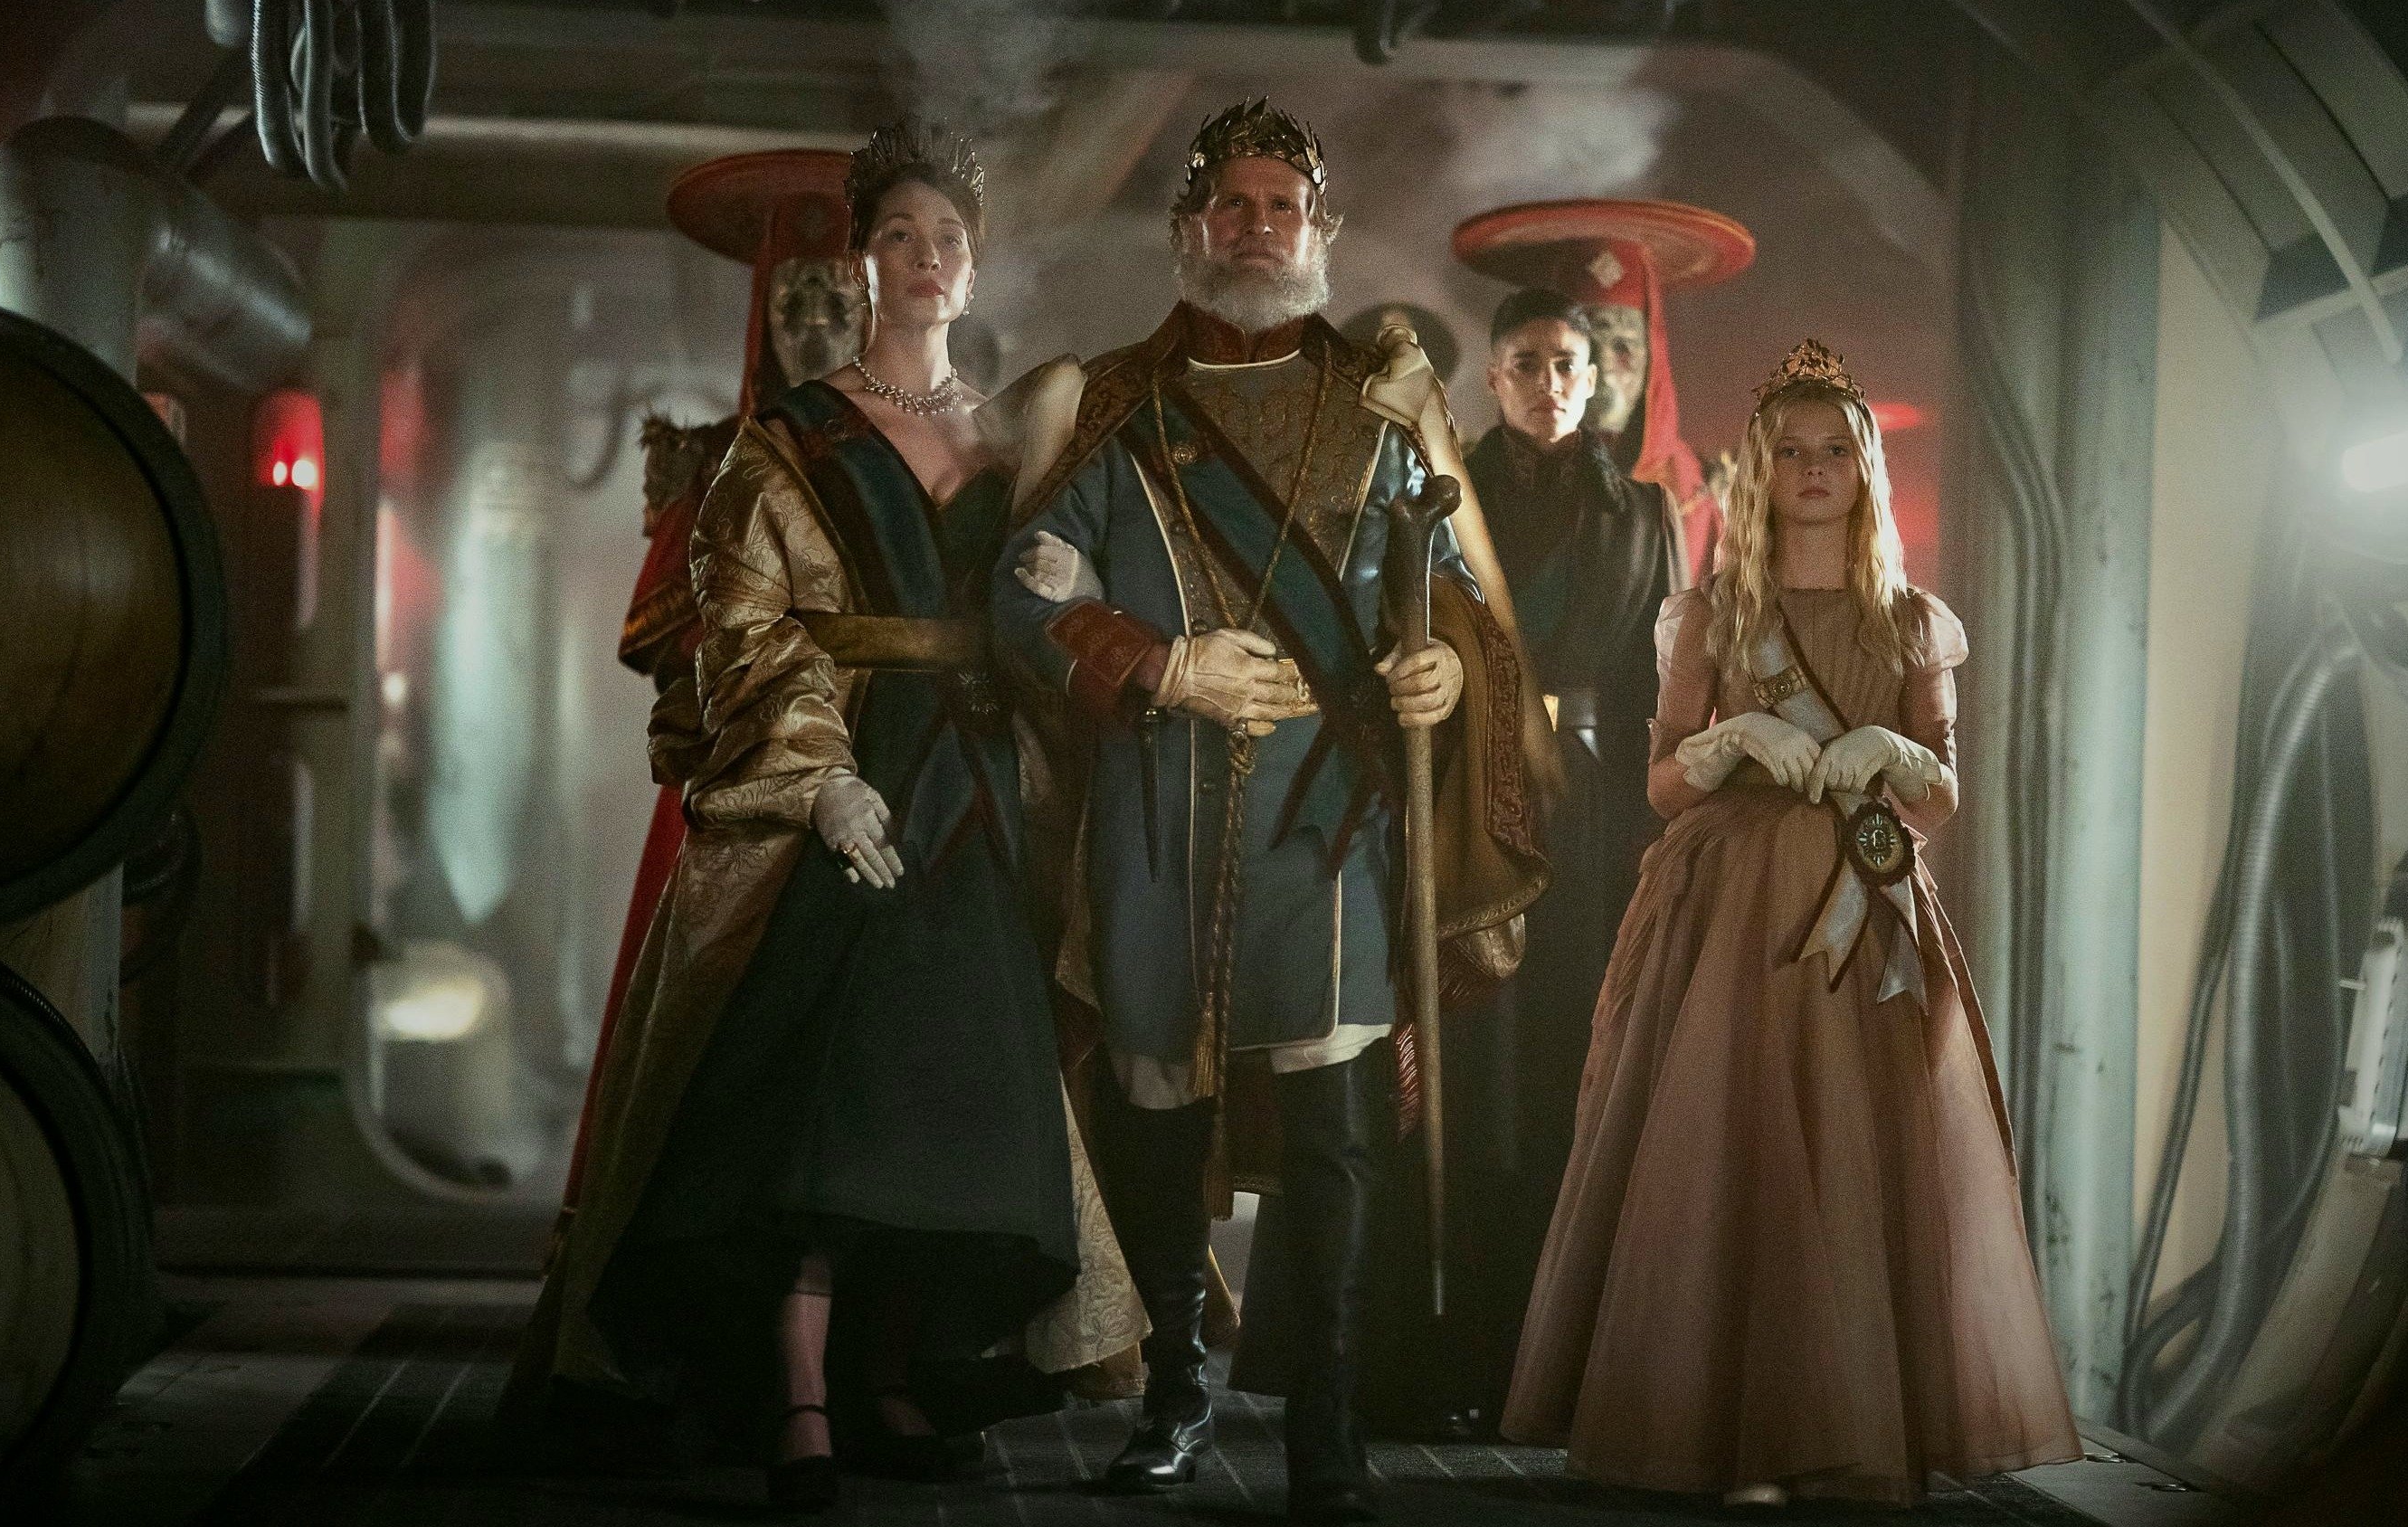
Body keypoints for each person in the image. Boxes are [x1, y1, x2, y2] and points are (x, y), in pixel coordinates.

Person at [503, 120, 1142, 1514]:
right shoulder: (784, 442)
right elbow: (744, 625)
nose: (924, 257)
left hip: (981, 790)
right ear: (860, 264)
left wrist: (1063, 588)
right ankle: (797, 1392)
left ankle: (888, 1376)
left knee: (957, 1098)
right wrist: (821, 775)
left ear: (975, 270)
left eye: (949, 239)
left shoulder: (1015, 441)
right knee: (817, 1102)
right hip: (850, 779)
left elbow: (1057, 613)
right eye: (899, 235)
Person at [992, 98, 1545, 1524]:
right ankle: (1175, 1393)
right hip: (1154, 816)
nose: (1256, 229)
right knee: (1155, 1111)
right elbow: (1023, 595)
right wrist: (1157, 663)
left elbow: (1459, 593)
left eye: (1280, 207)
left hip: (1329, 816)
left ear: (1320, 230)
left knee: (1334, 1128)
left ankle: (1329, 1421)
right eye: (1230, 207)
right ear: (1190, 228)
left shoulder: (1381, 407)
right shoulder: (1115, 405)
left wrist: (1444, 665)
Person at [1503, 339, 2081, 1507]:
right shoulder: (1709, 618)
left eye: (1836, 452)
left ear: (1865, 471)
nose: (1814, 469)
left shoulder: (1914, 623)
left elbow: (1940, 797)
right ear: (1759, 472)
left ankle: (1843, 1431)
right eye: (1791, 451)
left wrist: (1894, 750)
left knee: (1859, 1162)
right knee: (1728, 1154)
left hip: (1866, 914)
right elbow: (1663, 784)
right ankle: (1722, 1434)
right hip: (1730, 914)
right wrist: (1727, 742)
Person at [1354, 288, 1678, 1438]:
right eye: (1528, 362)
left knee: (1563, 1076)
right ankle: (1437, 1357)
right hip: (1463, 803)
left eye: (1568, 364)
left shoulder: (1644, 513)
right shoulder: (1435, 496)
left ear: (1598, 380)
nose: (1549, 382)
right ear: (1492, 377)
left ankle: (1554, 1366)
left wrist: (1651, 835)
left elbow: (1658, 688)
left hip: (1589, 819)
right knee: (1468, 1075)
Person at [554, 149, 867, 1304]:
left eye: (837, 299)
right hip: (734, 775)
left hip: (881, 760)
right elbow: (665, 640)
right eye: (795, 300)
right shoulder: (708, 461)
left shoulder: (923, 453)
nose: (816, 322)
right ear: (761, 312)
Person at [1451, 198, 1753, 580]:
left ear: (1653, 356)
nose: (1608, 371)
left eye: (1624, 347)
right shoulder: (1472, 486)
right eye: (1587, 350)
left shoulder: (1695, 498)